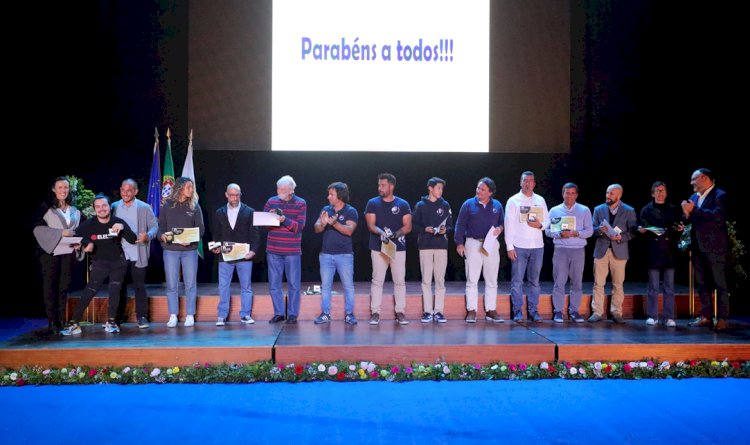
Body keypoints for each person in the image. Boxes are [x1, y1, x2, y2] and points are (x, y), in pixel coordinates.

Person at [60, 194, 137, 335]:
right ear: (94, 209)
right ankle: (74, 323)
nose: (102, 209)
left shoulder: (117, 221)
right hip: (100, 263)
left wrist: (123, 227)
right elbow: (74, 237)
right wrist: (85, 243)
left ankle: (111, 321)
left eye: (104, 205)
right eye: (98, 206)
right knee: (90, 290)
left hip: (118, 262)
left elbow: (133, 239)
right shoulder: (89, 224)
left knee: (115, 290)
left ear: (109, 207)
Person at [33, 177, 83, 334]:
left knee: (64, 287)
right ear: (54, 189)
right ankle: (52, 322)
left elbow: (80, 229)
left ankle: (62, 320)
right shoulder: (45, 208)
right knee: (50, 287)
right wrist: (61, 232)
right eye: (60, 187)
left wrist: (79, 241)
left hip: (68, 253)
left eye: (66, 188)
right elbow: (37, 229)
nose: (63, 190)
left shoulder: (74, 210)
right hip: (50, 253)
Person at [682, 168, 730, 331]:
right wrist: (686, 215)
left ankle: (722, 318)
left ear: (704, 178)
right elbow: (689, 220)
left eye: (693, 179)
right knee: (701, 284)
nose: (691, 183)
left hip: (715, 247)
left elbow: (717, 216)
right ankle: (706, 316)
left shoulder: (719, 195)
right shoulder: (694, 197)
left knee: (719, 283)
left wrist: (693, 210)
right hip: (697, 246)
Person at [454, 177, 505, 323]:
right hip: (473, 243)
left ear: (490, 192)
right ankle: (471, 310)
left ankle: (491, 310)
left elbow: (502, 222)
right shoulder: (469, 204)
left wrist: (500, 229)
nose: (478, 191)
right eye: (478, 188)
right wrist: (459, 243)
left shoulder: (497, 205)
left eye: (482, 189)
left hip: (491, 244)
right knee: (472, 279)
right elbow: (460, 224)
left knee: (491, 279)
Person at [365, 173, 412, 325]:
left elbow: (408, 226)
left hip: (398, 248)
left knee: (399, 281)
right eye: (379, 185)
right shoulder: (372, 203)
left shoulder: (403, 204)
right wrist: (382, 233)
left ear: (391, 186)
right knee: (377, 280)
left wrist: (395, 235)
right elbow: (371, 224)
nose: (380, 188)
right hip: (378, 248)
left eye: (383, 185)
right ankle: (375, 313)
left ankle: (400, 312)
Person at [111, 179, 158, 329]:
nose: (125, 193)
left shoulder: (144, 207)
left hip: (138, 252)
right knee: (119, 285)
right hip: (119, 253)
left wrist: (147, 236)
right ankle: (118, 317)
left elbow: (154, 227)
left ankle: (142, 316)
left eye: (129, 190)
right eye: (123, 190)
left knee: (139, 285)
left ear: (136, 192)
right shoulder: (114, 207)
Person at [158, 177, 205, 328]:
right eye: (189, 187)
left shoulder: (194, 206)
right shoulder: (167, 205)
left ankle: (190, 315)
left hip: (189, 250)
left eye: (192, 187)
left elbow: (201, 229)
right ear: (179, 188)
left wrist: (190, 240)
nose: (191, 190)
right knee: (172, 283)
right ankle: (173, 315)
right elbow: (161, 228)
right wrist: (162, 236)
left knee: (190, 283)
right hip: (171, 250)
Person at [211, 183, 260, 326]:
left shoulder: (249, 211)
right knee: (223, 286)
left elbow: (255, 235)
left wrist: (253, 251)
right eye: (232, 195)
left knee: (246, 286)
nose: (235, 198)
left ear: (240, 195)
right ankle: (222, 315)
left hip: (244, 256)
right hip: (225, 255)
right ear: (226, 195)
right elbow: (217, 234)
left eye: (237, 195)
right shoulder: (219, 212)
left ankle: (245, 314)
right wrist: (216, 247)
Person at [544, 183, 593, 323]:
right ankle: (558, 311)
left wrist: (575, 233)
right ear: (563, 193)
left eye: (572, 193)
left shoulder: (584, 210)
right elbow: (547, 231)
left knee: (577, 282)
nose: (570, 195)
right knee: (559, 282)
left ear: (576, 195)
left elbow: (589, 231)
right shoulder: (554, 210)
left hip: (578, 251)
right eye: (567, 193)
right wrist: (559, 234)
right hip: (561, 250)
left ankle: (574, 311)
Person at [504, 171, 549, 322]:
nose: (527, 183)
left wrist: (540, 225)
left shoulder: (540, 200)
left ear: (534, 183)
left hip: (537, 246)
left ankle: (533, 310)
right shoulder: (513, 200)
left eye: (530, 180)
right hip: (519, 246)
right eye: (525, 180)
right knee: (517, 281)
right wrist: (509, 246)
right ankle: (517, 311)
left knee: (534, 281)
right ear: (521, 182)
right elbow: (508, 224)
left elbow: (547, 221)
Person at [589, 184, 637, 323]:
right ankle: (597, 312)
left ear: (619, 195)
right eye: (607, 193)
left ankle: (616, 312)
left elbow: (633, 232)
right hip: (601, 250)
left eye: (611, 194)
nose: (608, 196)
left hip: (619, 250)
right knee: (598, 283)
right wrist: (600, 230)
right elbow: (592, 229)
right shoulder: (598, 209)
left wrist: (621, 237)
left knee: (618, 283)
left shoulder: (628, 210)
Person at [313, 182, 358, 325]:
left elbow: (349, 230)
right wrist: (323, 223)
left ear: (340, 196)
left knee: (348, 286)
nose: (328, 197)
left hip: (344, 255)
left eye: (331, 194)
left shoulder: (351, 211)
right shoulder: (326, 209)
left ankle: (349, 314)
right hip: (326, 255)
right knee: (325, 286)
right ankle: (325, 313)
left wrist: (334, 223)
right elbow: (316, 228)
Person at [638, 181, 682, 327]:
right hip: (653, 250)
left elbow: (677, 227)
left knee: (669, 286)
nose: (660, 193)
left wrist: (679, 229)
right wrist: (642, 230)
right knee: (653, 286)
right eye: (657, 190)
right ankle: (652, 315)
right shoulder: (646, 210)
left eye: (663, 190)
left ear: (666, 193)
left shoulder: (673, 209)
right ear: (653, 193)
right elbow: (642, 227)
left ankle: (669, 317)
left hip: (669, 251)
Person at [264, 175, 306, 324]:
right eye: (278, 188)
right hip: (273, 249)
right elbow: (265, 225)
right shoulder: (271, 201)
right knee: (274, 284)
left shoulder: (300, 203)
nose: (279, 191)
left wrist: (284, 219)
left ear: (291, 190)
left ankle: (293, 314)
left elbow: (298, 227)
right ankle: (279, 313)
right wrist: (270, 219)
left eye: (282, 189)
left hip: (292, 251)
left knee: (294, 283)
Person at [412, 177, 453, 323]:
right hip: (425, 246)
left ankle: (439, 311)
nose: (440, 191)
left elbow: (450, 226)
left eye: (442, 188)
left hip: (441, 246)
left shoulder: (445, 204)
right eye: (438, 188)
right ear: (430, 188)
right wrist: (425, 229)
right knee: (426, 280)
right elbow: (413, 226)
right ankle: (428, 311)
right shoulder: (421, 205)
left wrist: (444, 230)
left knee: (440, 280)